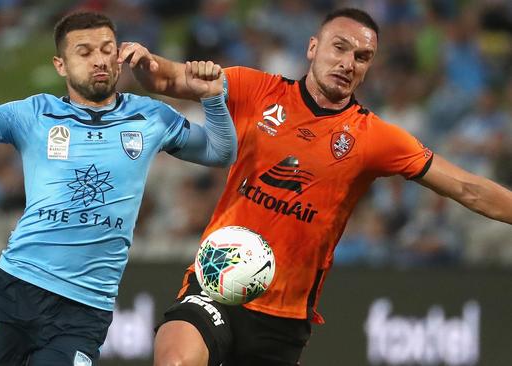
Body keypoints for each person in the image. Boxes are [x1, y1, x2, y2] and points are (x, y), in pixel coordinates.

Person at [119, 7, 512, 366]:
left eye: (361, 58)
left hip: (284, 316)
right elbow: (165, 77)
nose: (347, 63)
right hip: (215, 284)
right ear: (312, 47)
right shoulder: (255, 89)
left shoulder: (374, 138)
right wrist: (142, 61)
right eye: (339, 48)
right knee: (175, 360)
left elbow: (466, 187)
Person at [0, 12, 237, 366]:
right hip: (15, 290)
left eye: (108, 49)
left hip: (84, 310)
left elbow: (221, 153)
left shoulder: (150, 117)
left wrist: (212, 96)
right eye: (85, 51)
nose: (100, 60)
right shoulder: (33, 114)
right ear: (60, 65)